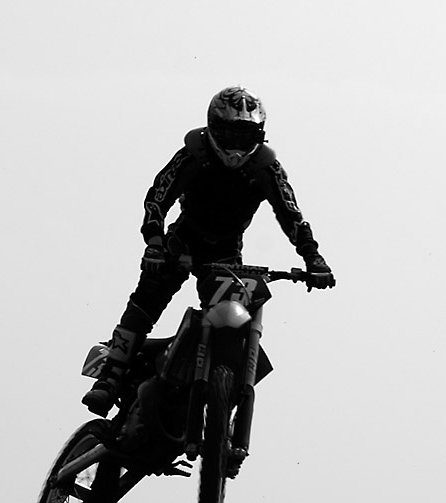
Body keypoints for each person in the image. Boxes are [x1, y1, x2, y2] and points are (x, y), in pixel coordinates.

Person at [82, 85, 336, 416]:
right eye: (229, 133)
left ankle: (217, 400)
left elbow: (292, 215)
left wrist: (313, 257)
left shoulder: (266, 167)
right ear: (213, 128)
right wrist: (155, 244)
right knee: (146, 301)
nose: (235, 145)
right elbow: (157, 198)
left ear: (259, 135)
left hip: (227, 255)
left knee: (234, 320)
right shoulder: (194, 154)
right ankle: (111, 376)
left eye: (244, 135)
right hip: (180, 244)